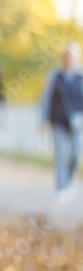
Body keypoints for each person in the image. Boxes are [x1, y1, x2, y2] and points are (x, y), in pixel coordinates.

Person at [40, 43, 83, 204]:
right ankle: (61, 189)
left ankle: (69, 182)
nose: (68, 59)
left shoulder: (80, 77)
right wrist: (42, 120)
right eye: (66, 56)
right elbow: (46, 99)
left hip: (77, 124)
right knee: (60, 156)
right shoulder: (55, 76)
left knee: (76, 155)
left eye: (71, 56)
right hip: (58, 121)